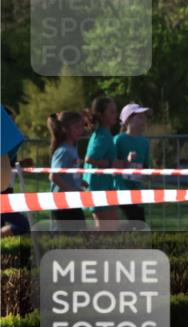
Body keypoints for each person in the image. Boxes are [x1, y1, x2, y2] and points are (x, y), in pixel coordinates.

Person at [83, 96, 126, 230]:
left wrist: (115, 163)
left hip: (104, 187)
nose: (115, 115)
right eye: (111, 112)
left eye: (116, 111)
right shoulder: (102, 136)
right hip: (98, 188)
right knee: (106, 232)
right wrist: (111, 163)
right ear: (101, 115)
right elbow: (89, 159)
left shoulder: (104, 134)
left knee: (110, 231)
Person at [48, 111, 88, 228]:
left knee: (79, 234)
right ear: (65, 129)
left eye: (81, 126)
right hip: (62, 203)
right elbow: (54, 176)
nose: (80, 130)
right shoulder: (63, 151)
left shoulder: (72, 148)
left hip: (72, 201)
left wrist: (80, 181)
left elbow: (69, 172)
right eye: (76, 127)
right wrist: (72, 191)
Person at [114, 103, 153, 224]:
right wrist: (127, 160)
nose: (144, 120)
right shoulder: (118, 140)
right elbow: (112, 164)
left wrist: (149, 174)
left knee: (140, 223)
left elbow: (146, 166)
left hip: (137, 191)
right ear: (127, 120)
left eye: (145, 117)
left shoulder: (145, 142)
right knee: (131, 223)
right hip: (121, 190)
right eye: (140, 117)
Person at [1, 107, 28, 236]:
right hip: (4, 190)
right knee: (23, 224)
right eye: (11, 121)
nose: (14, 125)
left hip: (6, 189)